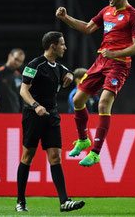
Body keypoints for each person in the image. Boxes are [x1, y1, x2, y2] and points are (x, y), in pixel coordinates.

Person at [56, 0, 135, 166]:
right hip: (101, 61)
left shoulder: (134, 16)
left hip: (119, 64)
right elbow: (88, 28)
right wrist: (66, 18)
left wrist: (115, 53)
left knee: (104, 103)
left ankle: (95, 152)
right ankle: (83, 139)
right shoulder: (106, 11)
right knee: (77, 99)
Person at [15, 31, 85, 212]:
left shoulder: (59, 67)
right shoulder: (34, 65)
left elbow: (67, 72)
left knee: (55, 156)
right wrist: (36, 105)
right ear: (53, 46)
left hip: (52, 116)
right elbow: (24, 91)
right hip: (34, 115)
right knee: (27, 156)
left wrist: (69, 74)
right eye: (62, 44)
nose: (65, 47)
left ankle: (64, 201)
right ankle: (20, 202)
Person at [0, 48, 25, 113]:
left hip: (15, 114)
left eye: (20, 61)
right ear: (10, 56)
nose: (17, 63)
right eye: (16, 59)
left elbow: (21, 98)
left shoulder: (19, 76)